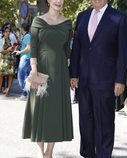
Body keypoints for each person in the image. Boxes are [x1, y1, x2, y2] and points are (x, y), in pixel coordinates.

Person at [70, 0, 127, 157]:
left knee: (104, 124)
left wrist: (120, 79)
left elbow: (123, 52)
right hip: (83, 81)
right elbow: (77, 47)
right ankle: (87, 154)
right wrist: (74, 74)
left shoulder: (119, 17)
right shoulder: (82, 17)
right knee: (85, 122)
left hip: (106, 82)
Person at [22, 0, 73, 158]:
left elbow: (67, 50)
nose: (58, 1)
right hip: (41, 69)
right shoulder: (38, 21)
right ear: (49, 1)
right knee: (39, 109)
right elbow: (34, 47)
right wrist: (35, 71)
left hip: (60, 72)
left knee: (55, 111)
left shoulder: (67, 23)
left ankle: (49, 152)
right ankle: (40, 151)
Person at [15, 22, 31, 100]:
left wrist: (19, 52)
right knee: (27, 76)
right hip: (27, 58)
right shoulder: (27, 35)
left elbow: (28, 48)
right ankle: (27, 94)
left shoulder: (27, 36)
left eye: (20, 28)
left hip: (25, 57)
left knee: (20, 76)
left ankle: (25, 93)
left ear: (22, 28)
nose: (20, 29)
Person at [0, 26, 15, 96]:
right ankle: (0, 89)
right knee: (1, 75)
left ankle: (8, 90)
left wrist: (14, 48)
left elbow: (14, 49)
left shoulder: (11, 40)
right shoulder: (1, 40)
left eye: (9, 31)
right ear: (3, 32)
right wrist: (8, 50)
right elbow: (1, 51)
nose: (8, 33)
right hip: (3, 59)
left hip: (10, 59)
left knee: (10, 75)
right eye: (6, 31)